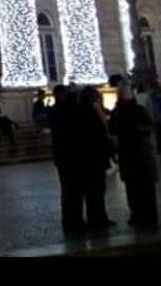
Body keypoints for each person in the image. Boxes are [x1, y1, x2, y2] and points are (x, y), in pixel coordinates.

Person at [108, 86, 159, 230]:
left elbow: (112, 130)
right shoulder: (135, 110)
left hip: (132, 153)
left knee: (136, 187)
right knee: (142, 187)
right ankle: (146, 215)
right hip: (137, 153)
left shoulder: (119, 112)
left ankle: (141, 214)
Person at [48, 86, 85, 236]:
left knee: (71, 191)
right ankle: (74, 222)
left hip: (63, 155)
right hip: (69, 155)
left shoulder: (55, 111)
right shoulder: (62, 112)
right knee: (72, 191)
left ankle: (73, 221)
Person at [77, 86, 114, 232]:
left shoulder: (84, 111)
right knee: (96, 190)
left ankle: (98, 217)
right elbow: (99, 133)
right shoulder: (91, 112)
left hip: (90, 157)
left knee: (95, 190)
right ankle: (98, 219)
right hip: (94, 156)